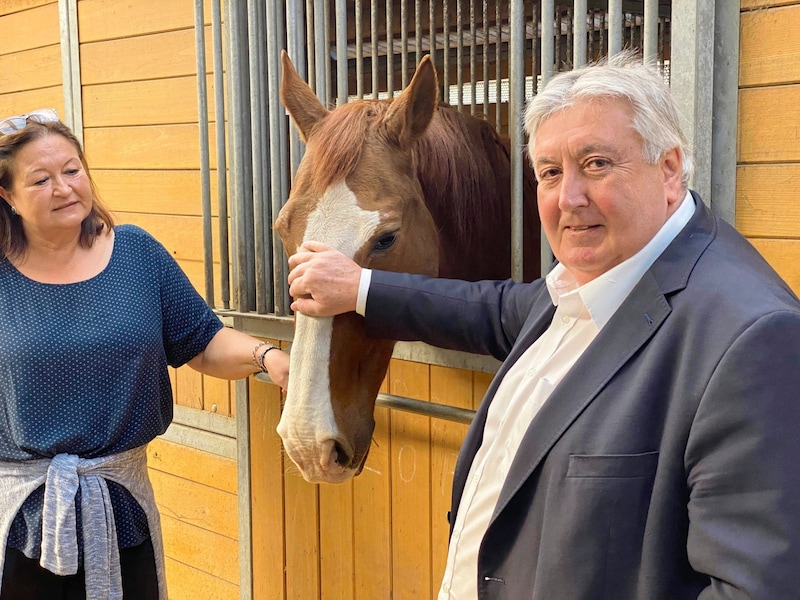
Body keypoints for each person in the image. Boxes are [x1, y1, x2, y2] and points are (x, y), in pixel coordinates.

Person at [285, 53, 800, 599]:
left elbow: (756, 587)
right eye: (551, 173)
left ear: (669, 169)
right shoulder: (580, 286)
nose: (568, 199)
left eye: (597, 163)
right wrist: (359, 287)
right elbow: (489, 309)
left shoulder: (752, 341)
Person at [0, 109, 290, 599]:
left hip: (122, 512)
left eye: (72, 170)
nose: (64, 188)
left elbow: (203, 340)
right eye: (41, 179)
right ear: (7, 195)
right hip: (23, 524)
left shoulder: (136, 254)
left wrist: (268, 356)